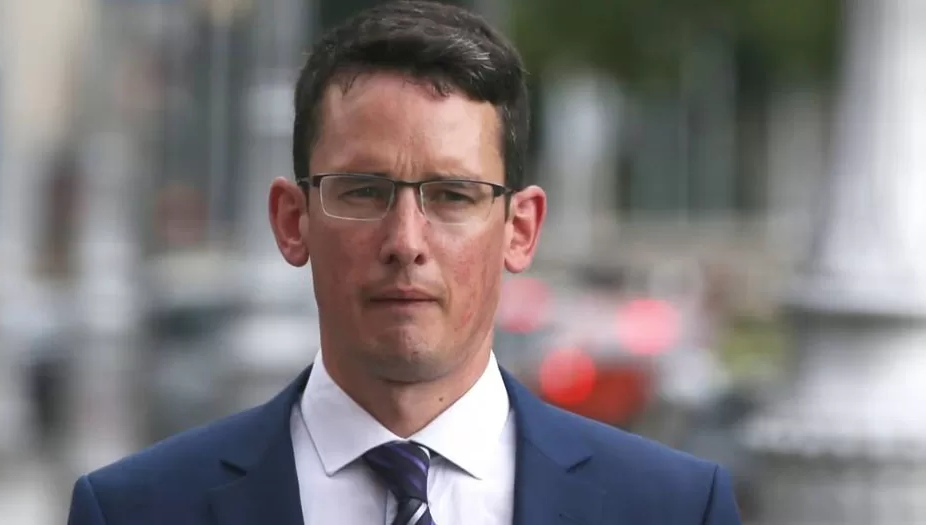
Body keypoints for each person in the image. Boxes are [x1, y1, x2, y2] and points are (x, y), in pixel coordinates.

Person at [66, 1, 742, 524]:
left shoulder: (673, 508)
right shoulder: (137, 510)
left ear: (521, 228)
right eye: (364, 191)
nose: (406, 239)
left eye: (453, 195)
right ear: (291, 220)